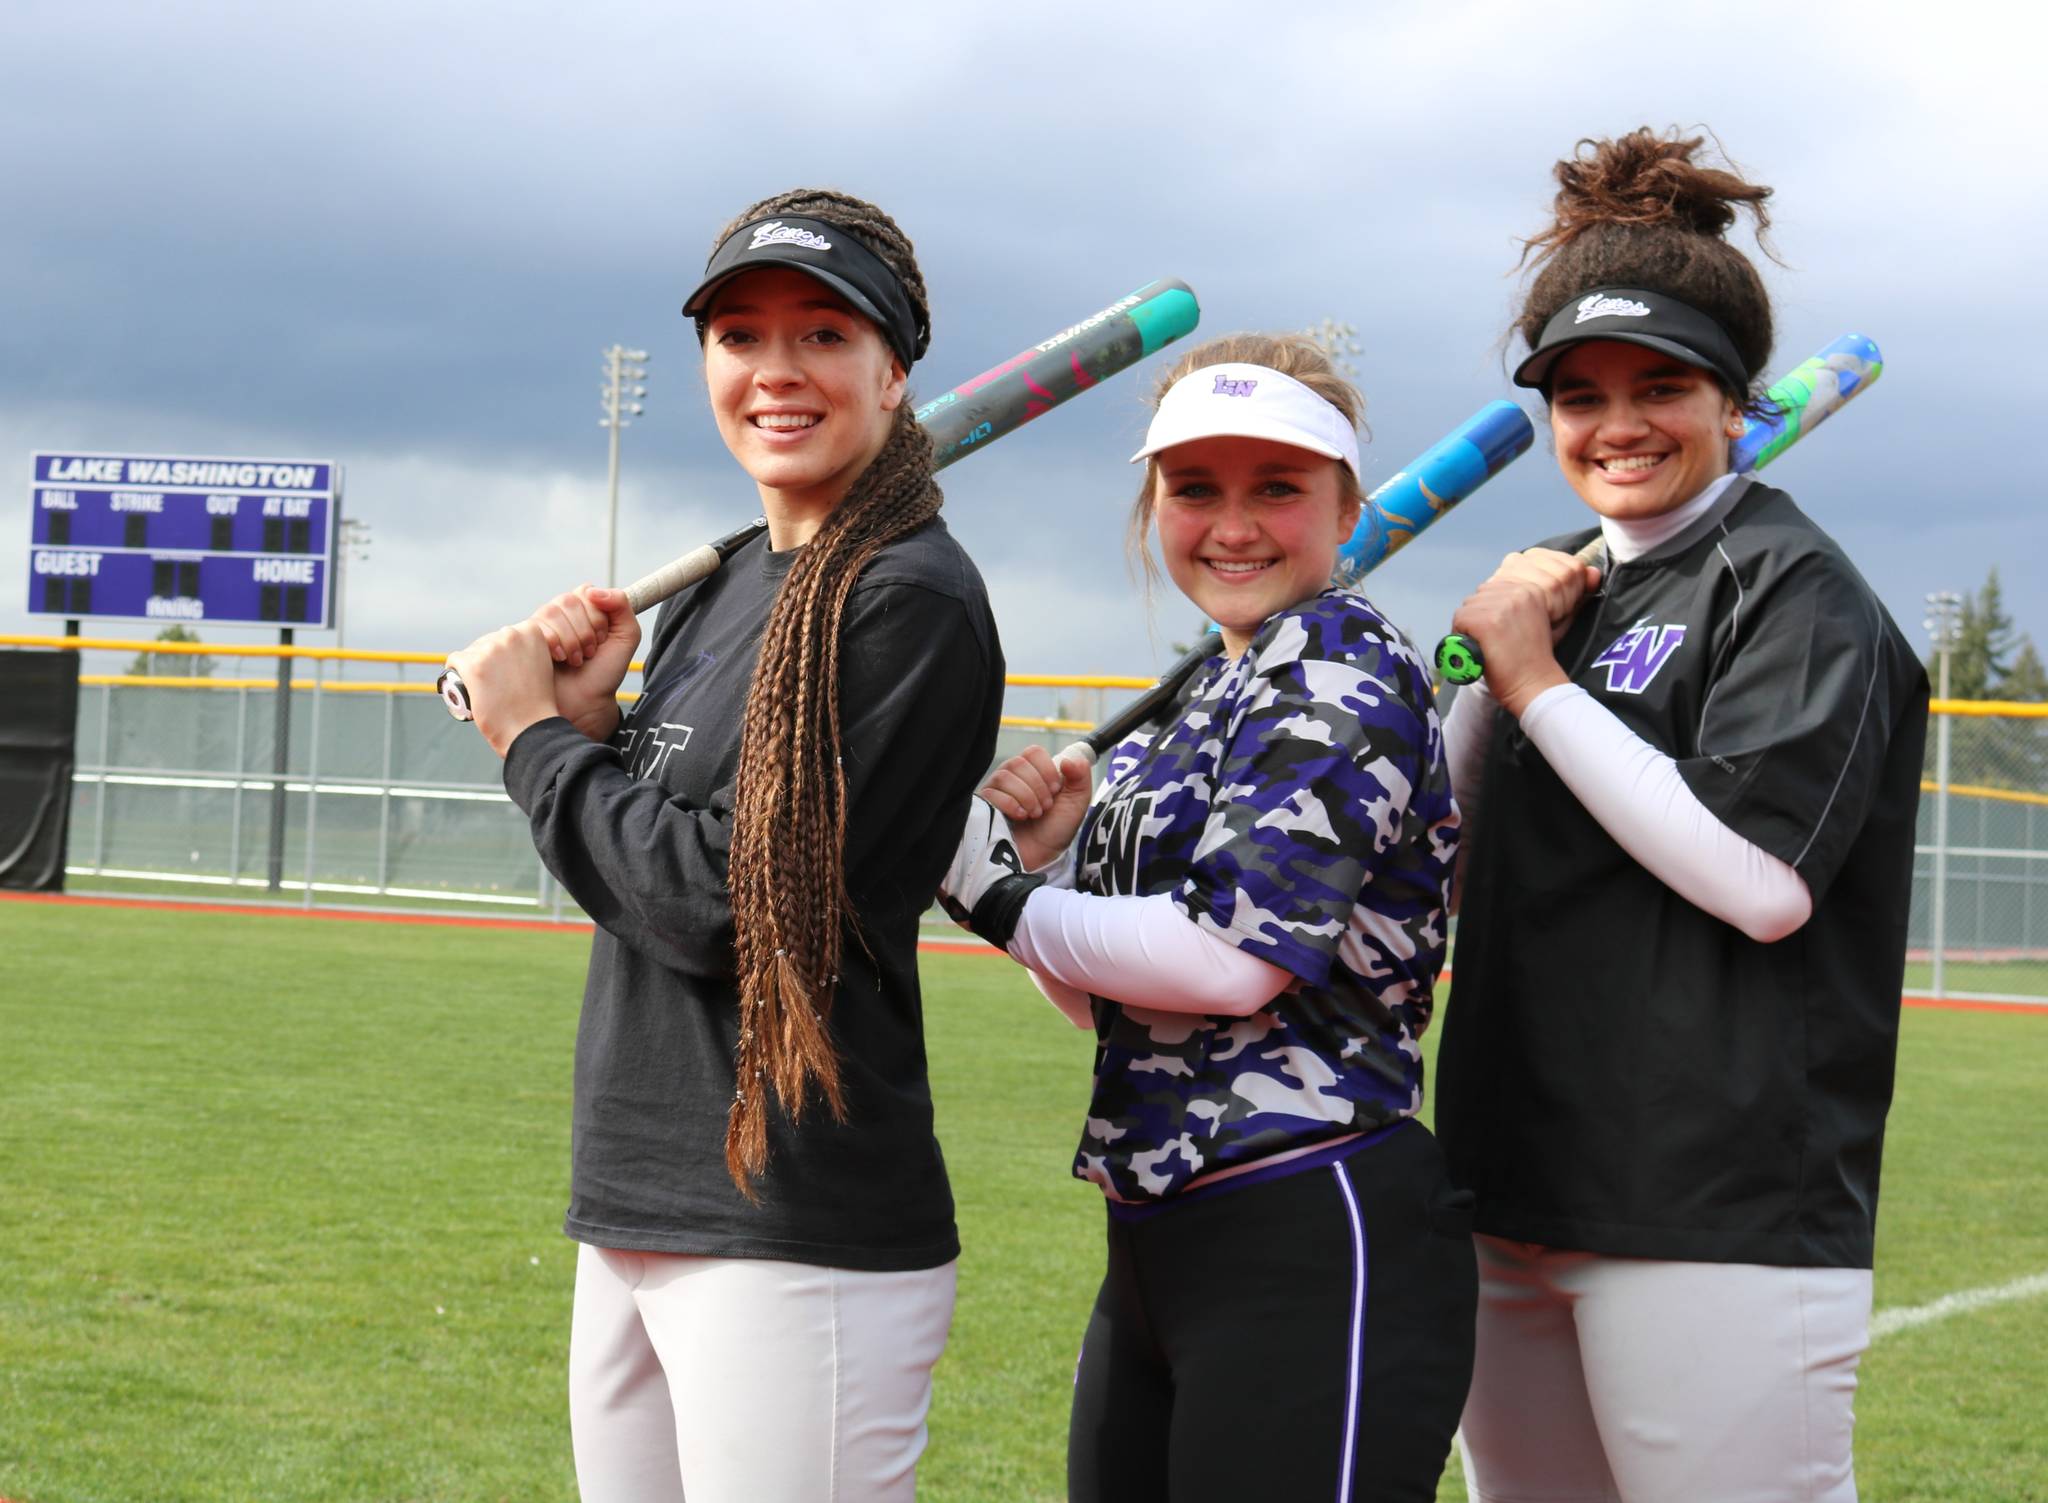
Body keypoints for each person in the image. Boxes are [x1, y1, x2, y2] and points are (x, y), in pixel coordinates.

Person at [444, 188, 1004, 1503]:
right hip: (640, 1196)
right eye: (740, 335)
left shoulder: (906, 598)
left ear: (893, 369)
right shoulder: (737, 579)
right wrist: (586, 726)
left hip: (795, 1225)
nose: (775, 370)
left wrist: (534, 739)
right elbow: (653, 862)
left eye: (822, 333)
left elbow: (722, 903)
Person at [1433, 128, 1929, 1503]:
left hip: (1709, 1203)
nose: (1618, 423)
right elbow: (1448, 862)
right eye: (1578, 394)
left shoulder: (1793, 586)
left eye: (1664, 383)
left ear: (1733, 399)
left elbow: (1762, 878)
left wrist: (1530, 681)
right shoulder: (1562, 597)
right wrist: (1489, 678)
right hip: (1504, 1176)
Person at [940, 333, 1477, 1503]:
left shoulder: (1342, 664)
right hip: (1158, 1236)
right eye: (1194, 490)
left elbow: (1230, 966)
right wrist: (1057, 866)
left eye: (1275, 489)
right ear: (1153, 508)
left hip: (1309, 1220)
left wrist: (997, 894)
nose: (1231, 525)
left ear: (1344, 509)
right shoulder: (1212, 692)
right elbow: (1112, 999)